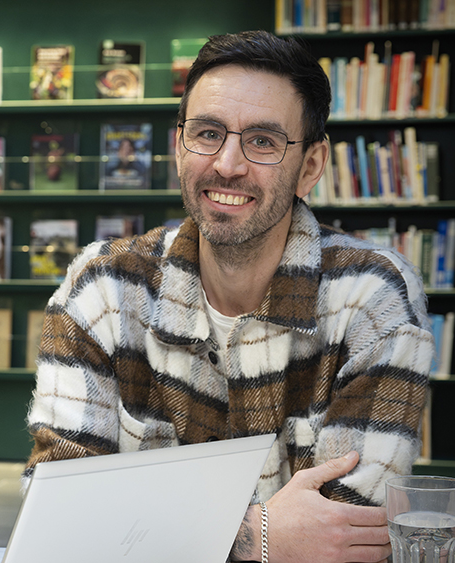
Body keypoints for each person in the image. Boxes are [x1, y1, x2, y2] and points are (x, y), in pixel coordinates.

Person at [24, 30, 432, 563]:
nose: (227, 164)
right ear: (179, 145)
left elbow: (346, 538)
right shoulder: (102, 288)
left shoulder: (374, 301)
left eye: (262, 141)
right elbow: (58, 513)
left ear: (310, 166)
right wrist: (257, 536)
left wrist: (144, 527)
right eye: (208, 133)